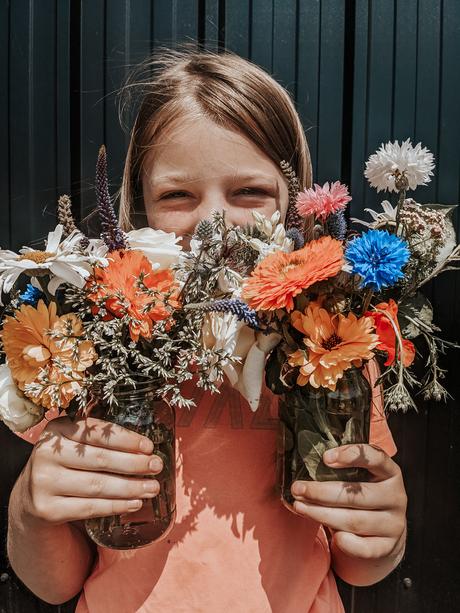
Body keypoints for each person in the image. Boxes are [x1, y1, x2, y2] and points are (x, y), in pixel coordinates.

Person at [7, 47, 407, 612]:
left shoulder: (333, 344)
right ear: (140, 212)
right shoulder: (89, 348)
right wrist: (30, 504)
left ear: (294, 204)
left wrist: (384, 534)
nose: (215, 222)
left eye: (250, 192)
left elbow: (360, 563)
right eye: (177, 195)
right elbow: (53, 582)